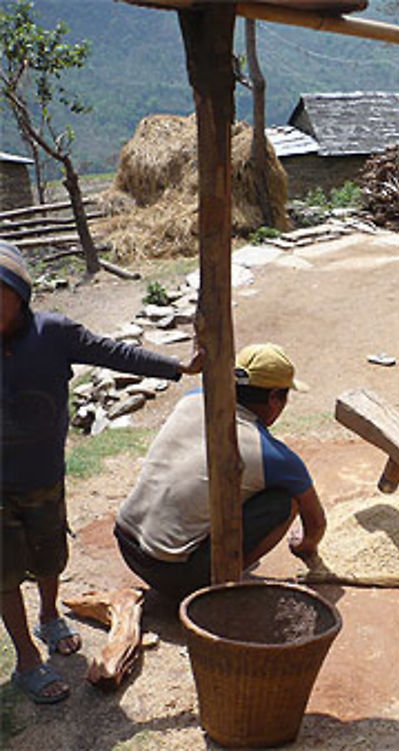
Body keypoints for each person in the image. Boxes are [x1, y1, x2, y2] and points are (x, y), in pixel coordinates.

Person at [0, 240, 202, 704]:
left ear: (20, 293)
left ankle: (49, 615)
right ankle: (27, 659)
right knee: (4, 572)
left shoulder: (52, 333)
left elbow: (114, 354)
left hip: (43, 477)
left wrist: (177, 366)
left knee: (50, 556)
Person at [115, 342, 327, 604]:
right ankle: (219, 588)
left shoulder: (193, 397)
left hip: (126, 544)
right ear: (274, 398)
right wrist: (303, 546)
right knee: (285, 503)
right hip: (172, 575)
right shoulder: (273, 455)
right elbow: (316, 523)